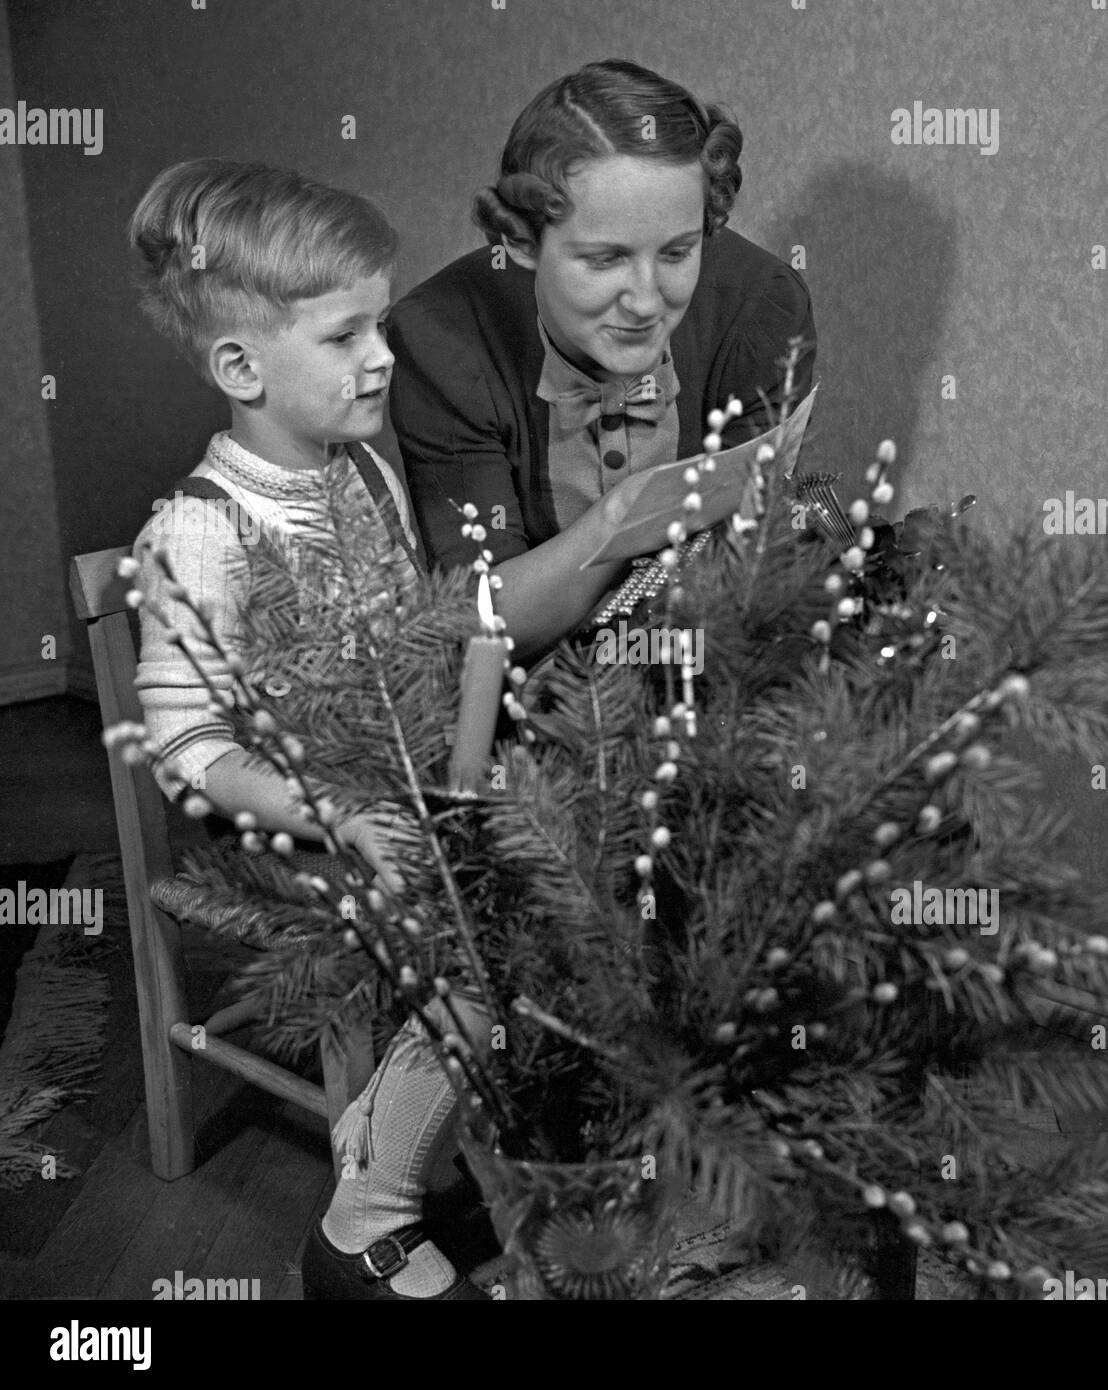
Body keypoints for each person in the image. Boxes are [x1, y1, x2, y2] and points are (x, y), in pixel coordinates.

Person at [127, 158, 488, 1300]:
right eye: (345, 336)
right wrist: (339, 810)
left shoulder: (363, 471)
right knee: (488, 933)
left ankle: (458, 1123)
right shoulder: (198, 532)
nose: (382, 355)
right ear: (241, 365)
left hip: (396, 782)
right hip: (285, 828)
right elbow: (188, 752)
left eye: (378, 324)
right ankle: (366, 1208)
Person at [388, 58, 816, 658]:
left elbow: (747, 580)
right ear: (519, 240)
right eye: (604, 259)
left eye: (677, 253)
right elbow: (483, 621)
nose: (645, 302)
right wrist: (627, 515)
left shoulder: (762, 310)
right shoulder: (442, 340)